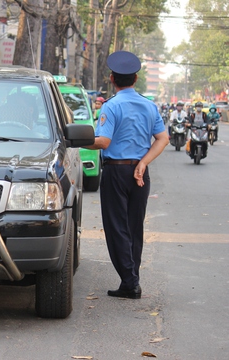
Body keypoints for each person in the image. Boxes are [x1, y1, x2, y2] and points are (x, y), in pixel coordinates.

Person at [83, 51, 169, 299]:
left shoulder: (111, 106)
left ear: (112, 78)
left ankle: (130, 282)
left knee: (116, 226)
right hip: (140, 173)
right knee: (134, 227)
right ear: (136, 79)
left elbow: (103, 142)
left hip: (116, 172)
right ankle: (130, 280)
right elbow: (163, 139)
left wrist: (76, 142)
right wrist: (143, 162)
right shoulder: (149, 105)